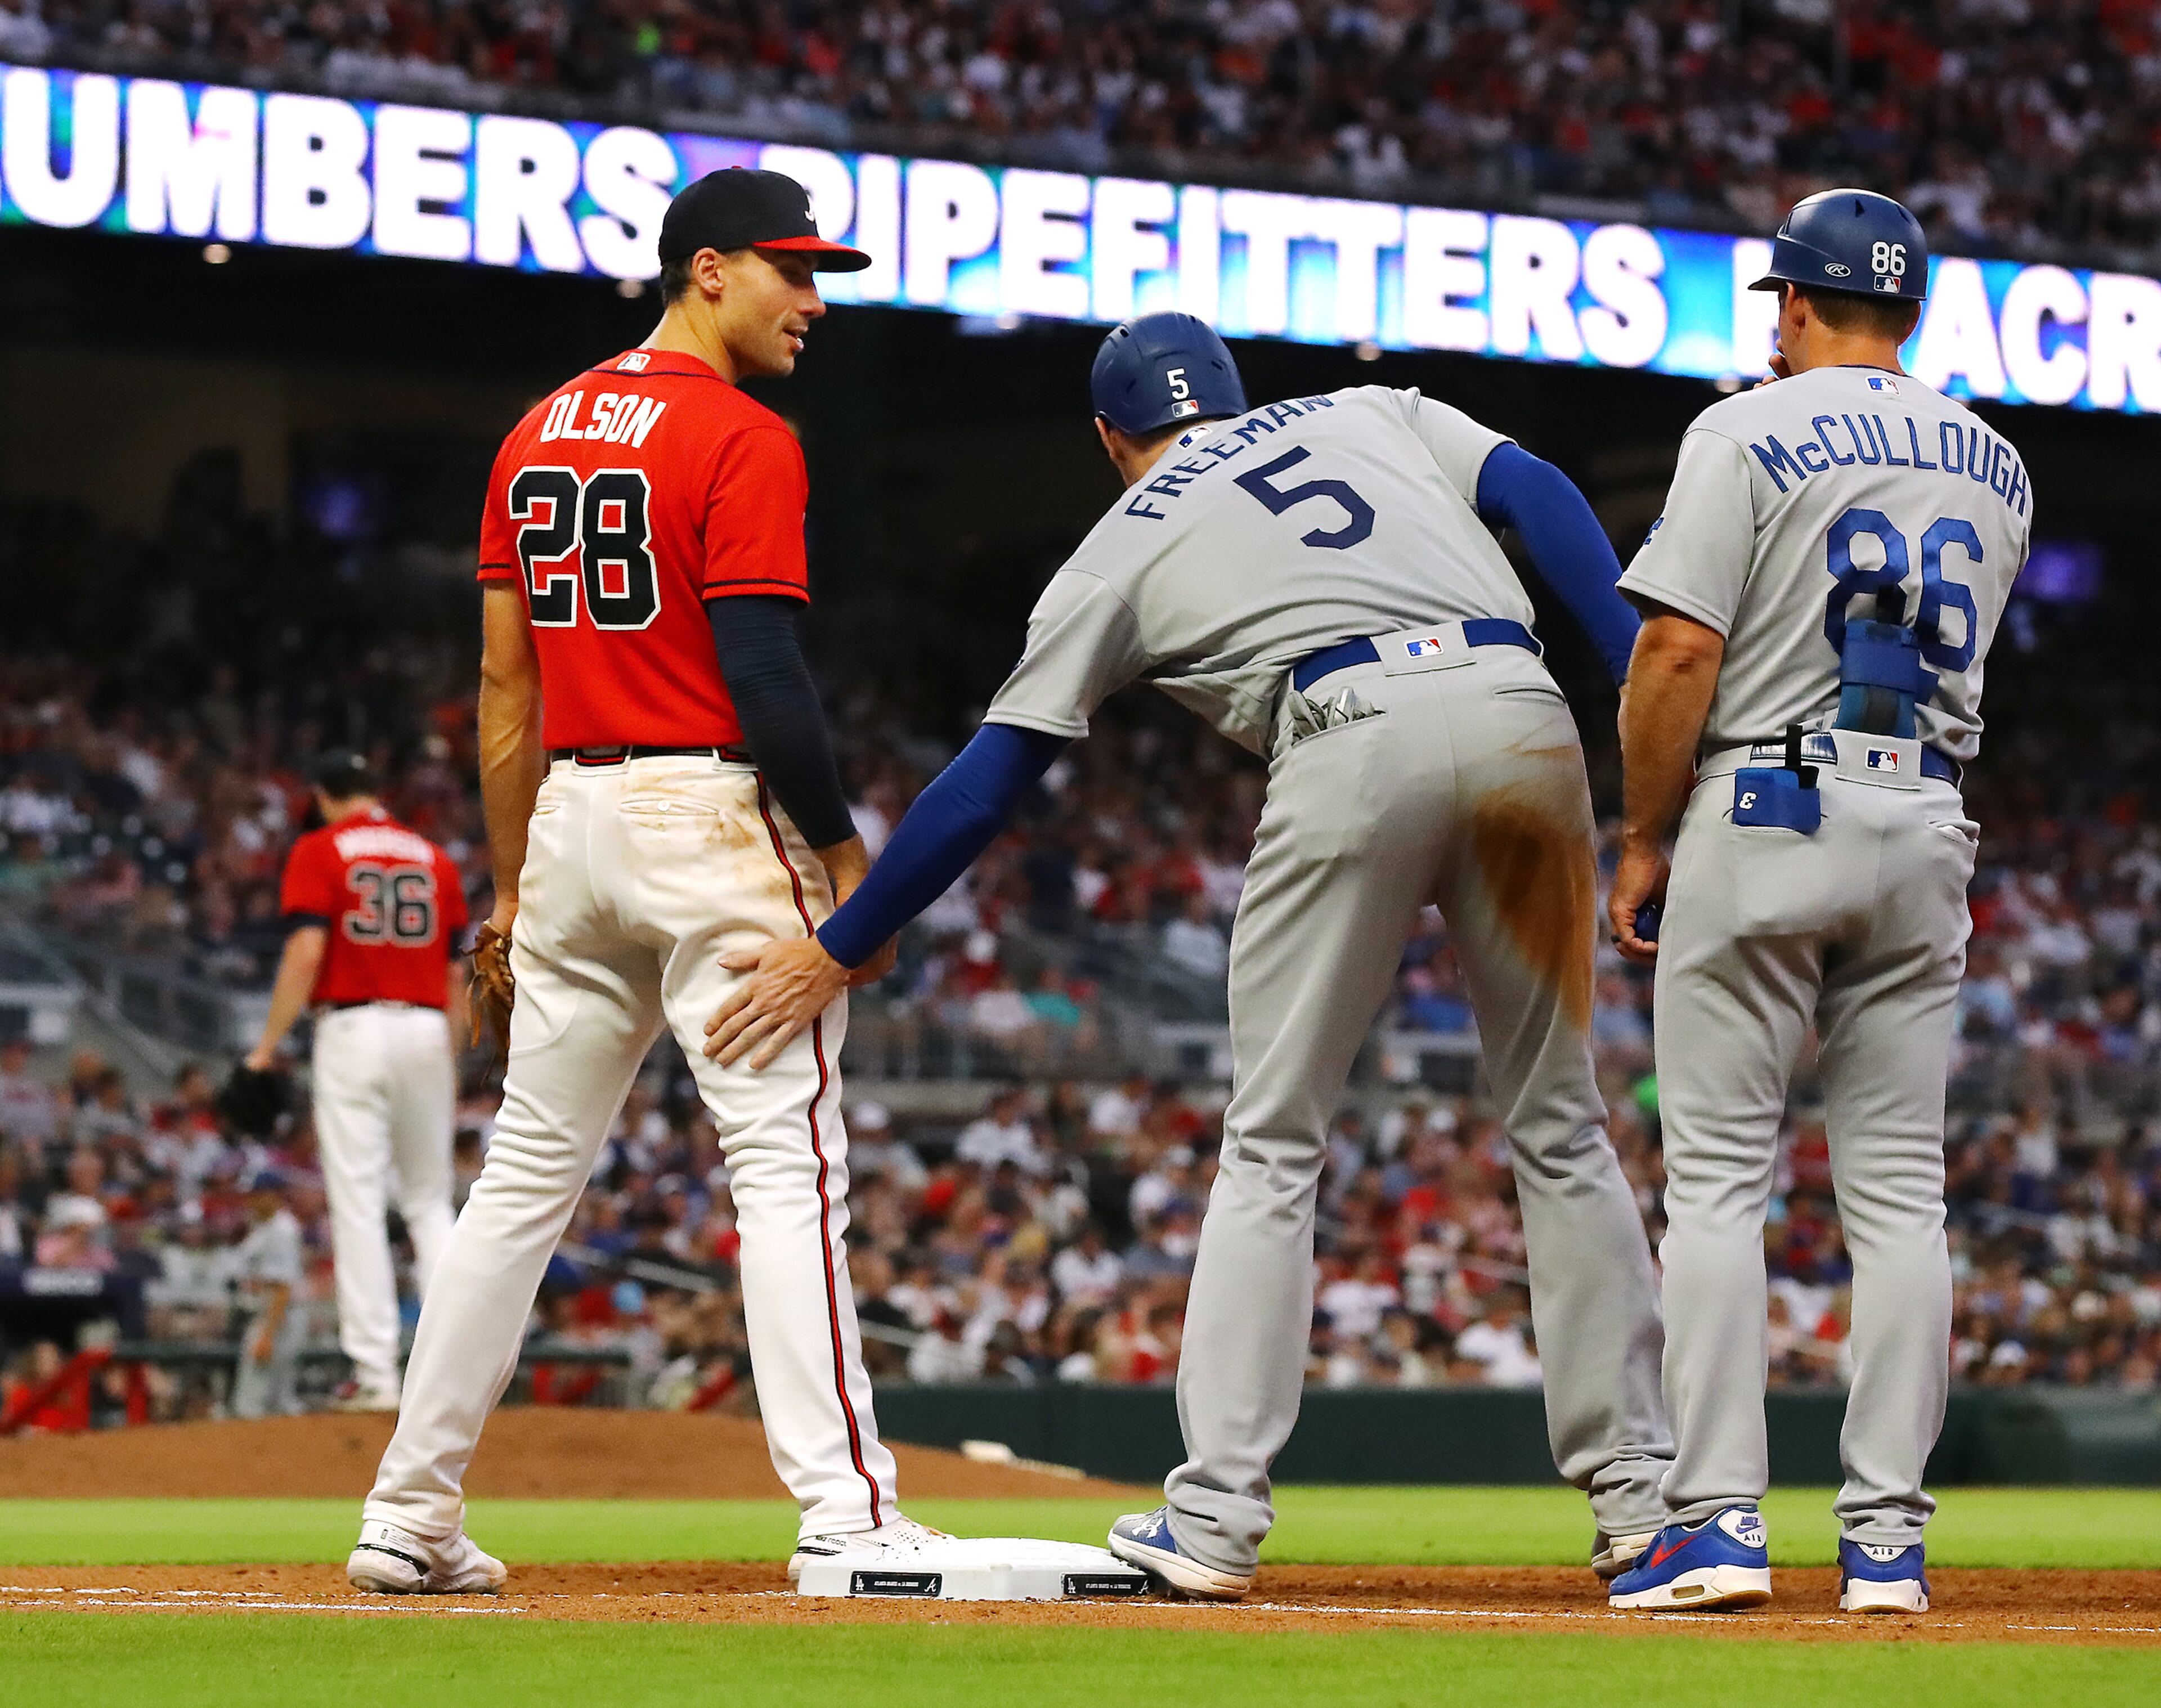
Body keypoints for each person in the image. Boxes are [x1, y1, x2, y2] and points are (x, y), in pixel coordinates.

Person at [709, 310, 1676, 1598]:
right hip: (1519, 710)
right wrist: (1633, 701)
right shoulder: (1367, 407)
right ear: (1231, 392)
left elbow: (987, 783)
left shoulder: (1118, 542)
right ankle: (1640, 1504)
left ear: (1112, 435)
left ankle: (1215, 1513)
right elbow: (1540, 492)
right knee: (1559, 1125)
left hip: (1344, 728)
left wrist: (842, 940)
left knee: (1274, 1140)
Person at [348, 168, 980, 1599]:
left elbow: (503, 686)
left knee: (516, 1179)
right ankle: (844, 1510)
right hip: (703, 813)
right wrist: (838, 849)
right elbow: (763, 669)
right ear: (708, 270)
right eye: (791, 272)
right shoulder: (738, 433)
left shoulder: (536, 426)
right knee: (783, 1164)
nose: (812, 302)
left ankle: (409, 1507)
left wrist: (511, 886)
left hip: (569, 813)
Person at [1604, 190, 2032, 1615]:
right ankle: (1886, 1548)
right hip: (1922, 813)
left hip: (1766, 799)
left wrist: (1639, 834)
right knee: (1901, 1196)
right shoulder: (1999, 460)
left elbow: (1673, 651)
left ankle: (1716, 1523)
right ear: (1904, 310)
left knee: (1720, 1184)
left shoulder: (1740, 426)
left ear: (1793, 304)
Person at [246, 750, 467, 1412]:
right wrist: (448, 1056)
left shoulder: (320, 848)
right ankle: (456, 1372)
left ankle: (375, 1375)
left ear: (321, 794)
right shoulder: (436, 856)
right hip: (428, 1026)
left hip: (352, 1026)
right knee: (431, 1202)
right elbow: (457, 973)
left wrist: (265, 1048)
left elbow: (307, 949)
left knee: (360, 1200)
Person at [228, 1168, 307, 1419]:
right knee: (276, 1399)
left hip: (278, 1317)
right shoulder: (265, 1226)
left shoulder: (282, 1230)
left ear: (273, 1196)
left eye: (257, 1194)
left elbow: (282, 1287)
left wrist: (267, 1335)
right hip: (271, 1316)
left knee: (255, 1401)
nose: (250, 1200)